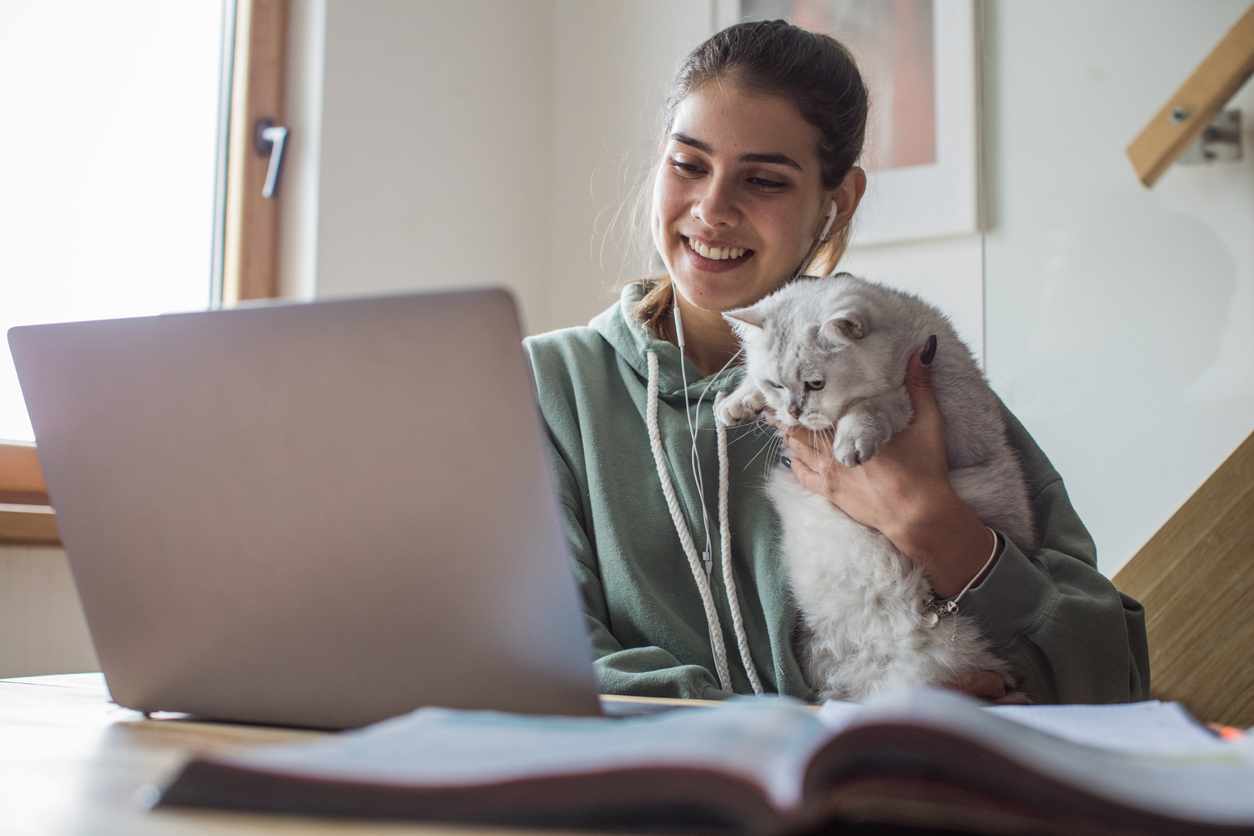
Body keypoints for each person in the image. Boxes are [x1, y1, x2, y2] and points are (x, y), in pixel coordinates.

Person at [524, 20, 1149, 704]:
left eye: (763, 180)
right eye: (688, 164)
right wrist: (785, 737)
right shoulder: (549, 389)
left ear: (837, 201)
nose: (711, 209)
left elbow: (1111, 671)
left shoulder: (908, 366)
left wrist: (930, 523)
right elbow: (540, 659)